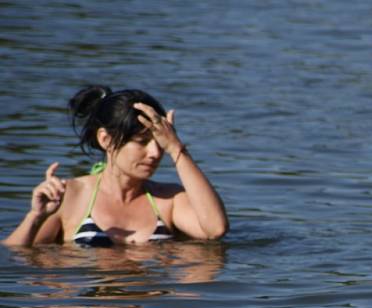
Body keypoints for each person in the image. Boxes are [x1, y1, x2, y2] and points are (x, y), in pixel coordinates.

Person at [2, 85, 228, 247]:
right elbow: (14, 257)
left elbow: (214, 230)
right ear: (106, 140)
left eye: (160, 143)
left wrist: (176, 149)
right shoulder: (69, 196)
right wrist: (35, 216)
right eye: (141, 142)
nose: (155, 152)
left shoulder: (168, 200)